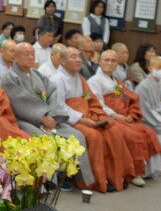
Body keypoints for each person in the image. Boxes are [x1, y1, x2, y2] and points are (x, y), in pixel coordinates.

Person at [0, 43, 94, 188]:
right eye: (26, 54)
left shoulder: (37, 75)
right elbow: (19, 101)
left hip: (49, 117)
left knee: (76, 135)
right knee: (46, 140)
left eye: (32, 53)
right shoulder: (10, 78)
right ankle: (49, 180)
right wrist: (42, 118)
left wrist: (52, 117)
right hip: (24, 119)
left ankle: (71, 175)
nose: (31, 57)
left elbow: (52, 95)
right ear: (16, 57)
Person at [51, 47, 135, 191]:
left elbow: (91, 101)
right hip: (67, 121)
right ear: (63, 61)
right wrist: (82, 120)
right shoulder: (57, 79)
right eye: (73, 56)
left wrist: (95, 116)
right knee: (94, 136)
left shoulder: (80, 78)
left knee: (112, 130)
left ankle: (114, 176)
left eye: (79, 56)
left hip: (87, 116)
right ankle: (92, 180)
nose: (78, 59)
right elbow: (59, 108)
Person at [88, 50, 161, 181]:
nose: (110, 63)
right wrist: (116, 115)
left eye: (113, 61)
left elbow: (129, 98)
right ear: (99, 61)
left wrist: (131, 113)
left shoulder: (117, 80)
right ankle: (134, 173)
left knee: (148, 131)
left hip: (123, 117)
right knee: (133, 136)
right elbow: (98, 104)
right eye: (106, 60)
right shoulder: (94, 81)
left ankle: (148, 171)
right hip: (108, 117)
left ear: (117, 64)